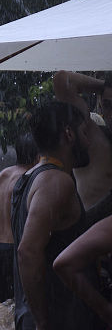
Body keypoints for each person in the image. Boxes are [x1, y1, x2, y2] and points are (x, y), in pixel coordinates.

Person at [11, 101, 104, 330]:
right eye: (85, 132)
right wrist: (44, 329)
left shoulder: (29, 178)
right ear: (68, 134)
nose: (89, 140)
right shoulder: (56, 182)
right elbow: (28, 252)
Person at [0, 132, 38, 304]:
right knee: (14, 309)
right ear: (38, 155)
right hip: (11, 251)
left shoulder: (4, 173)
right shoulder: (29, 178)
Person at [54, 71, 112, 221]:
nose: (111, 113)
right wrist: (104, 86)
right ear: (100, 104)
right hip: (92, 235)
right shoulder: (93, 137)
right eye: (107, 105)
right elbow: (63, 80)